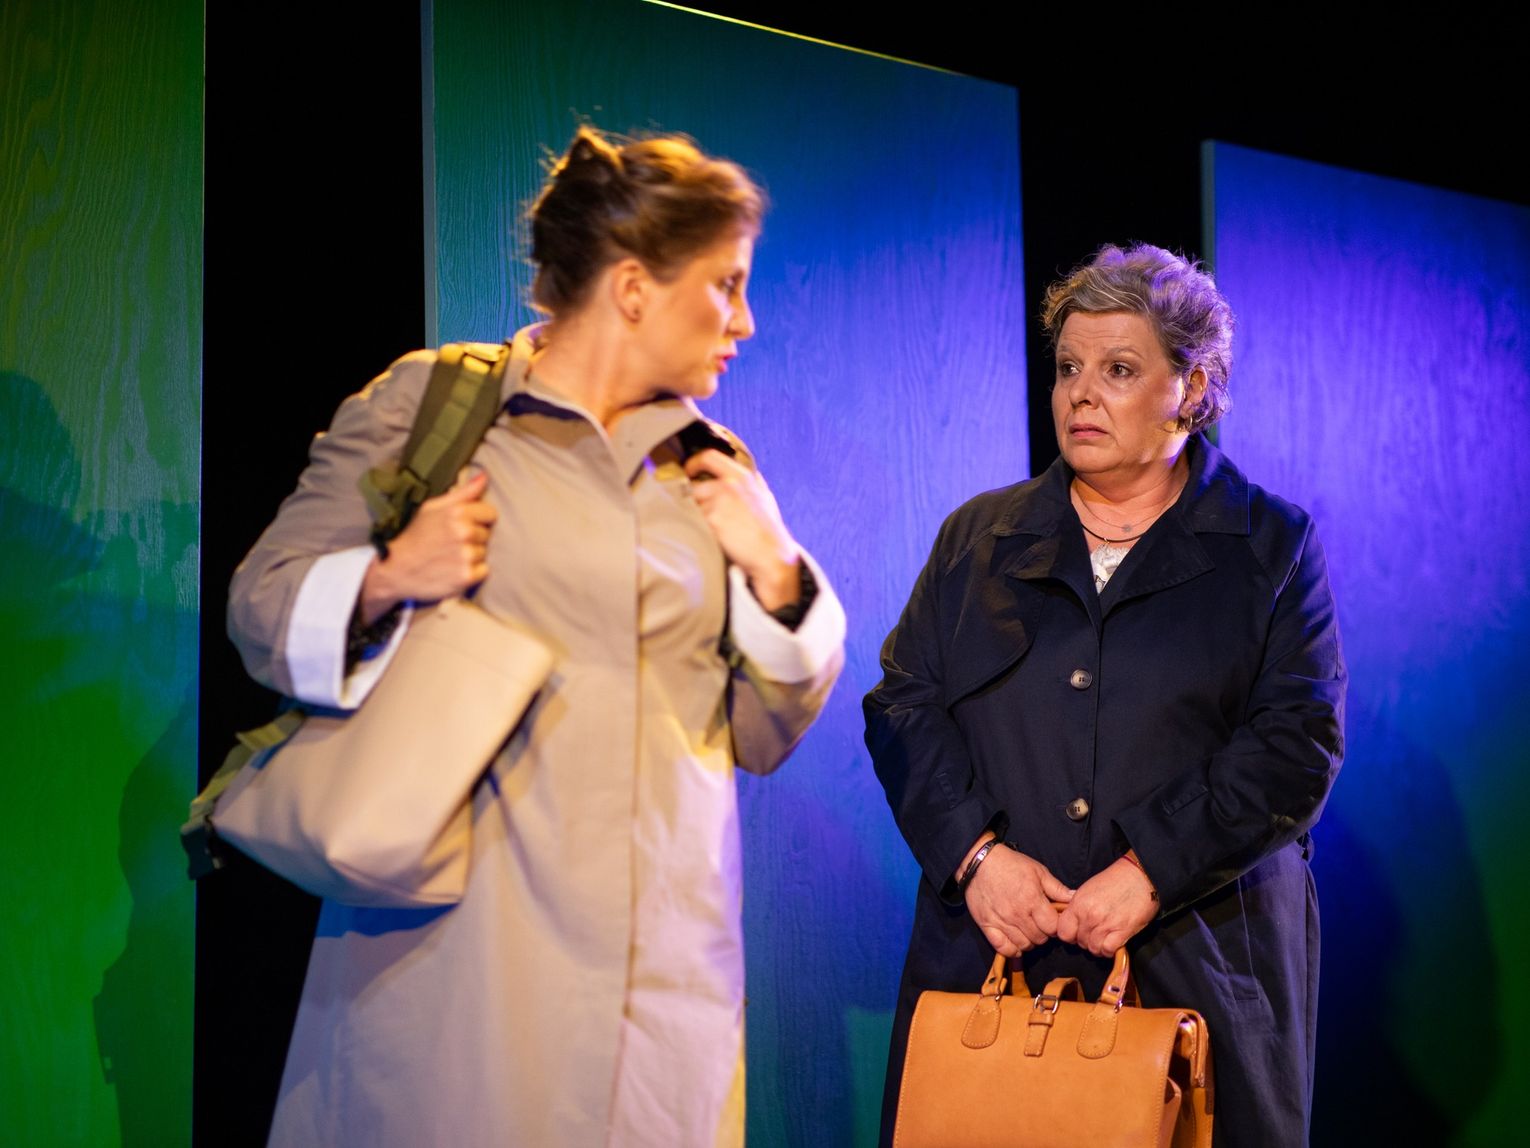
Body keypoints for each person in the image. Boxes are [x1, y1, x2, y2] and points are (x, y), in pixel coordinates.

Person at [226, 125, 846, 1146]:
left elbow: (761, 733)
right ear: (634, 287)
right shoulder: (436, 404)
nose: (745, 319)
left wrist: (779, 571)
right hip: (463, 959)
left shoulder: (710, 463)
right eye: (726, 284)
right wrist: (389, 575)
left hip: (662, 978)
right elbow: (262, 604)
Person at [863, 243, 1345, 1146]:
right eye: (1068, 368)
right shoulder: (980, 537)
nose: (1081, 394)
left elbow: (1297, 744)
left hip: (1194, 963)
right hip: (998, 959)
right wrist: (976, 858)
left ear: (1191, 389)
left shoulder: (1271, 546)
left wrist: (1152, 866)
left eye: (1118, 370)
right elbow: (902, 706)